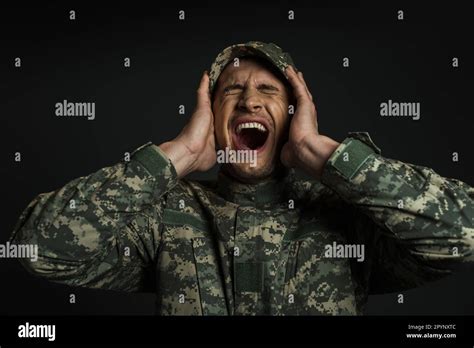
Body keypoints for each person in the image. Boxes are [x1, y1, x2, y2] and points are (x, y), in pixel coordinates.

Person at [10, 41, 474, 315]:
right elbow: (40, 249)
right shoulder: (167, 215)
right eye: (233, 89)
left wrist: (321, 154)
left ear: (293, 114)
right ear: (209, 116)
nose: (250, 102)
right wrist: (178, 155)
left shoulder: (346, 216)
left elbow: (465, 232)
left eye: (268, 91)